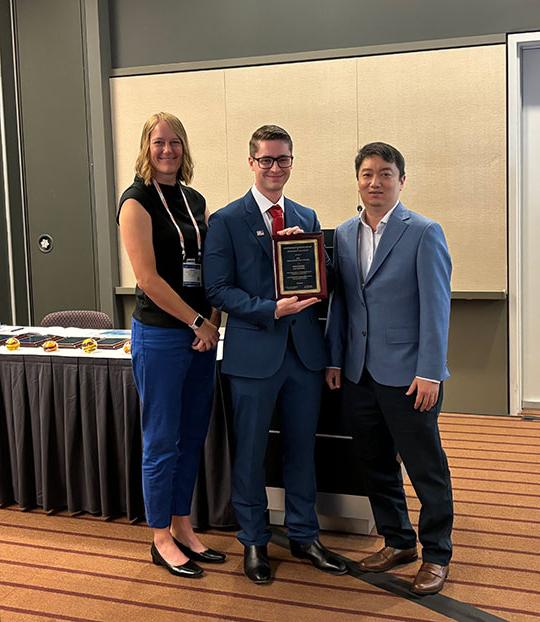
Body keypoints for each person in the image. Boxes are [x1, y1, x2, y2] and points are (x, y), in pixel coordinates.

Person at [203, 125, 347, 584]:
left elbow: (324, 281)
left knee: (302, 449)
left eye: (282, 160)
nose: (274, 168)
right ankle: (254, 541)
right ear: (251, 163)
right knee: (250, 452)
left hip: (304, 355)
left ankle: (305, 536)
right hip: (253, 356)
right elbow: (218, 289)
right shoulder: (227, 220)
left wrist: (315, 258)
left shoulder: (305, 213)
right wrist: (270, 308)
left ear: (291, 162)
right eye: (265, 160)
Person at [325, 142, 453, 595]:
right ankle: (398, 540)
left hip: (409, 375)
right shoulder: (342, 233)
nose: (374, 182)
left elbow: (437, 308)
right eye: (366, 174)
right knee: (374, 463)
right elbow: (343, 303)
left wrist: (430, 371)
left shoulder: (423, 231)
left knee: (425, 467)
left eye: (384, 174)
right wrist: (336, 358)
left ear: (402, 179)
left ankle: (437, 553)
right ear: (357, 180)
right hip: (359, 373)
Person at [117, 112, 226, 579]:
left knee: (191, 437)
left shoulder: (194, 199)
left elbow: (210, 267)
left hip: (200, 337)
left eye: (175, 141)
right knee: (161, 440)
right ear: (146, 147)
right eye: (159, 142)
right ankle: (159, 535)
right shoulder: (135, 201)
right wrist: (198, 321)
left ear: (185, 147)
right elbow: (148, 278)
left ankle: (183, 525)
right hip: (162, 334)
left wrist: (213, 319)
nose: (168, 149)